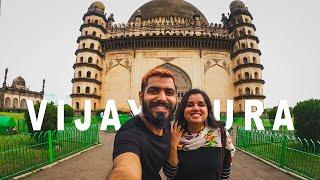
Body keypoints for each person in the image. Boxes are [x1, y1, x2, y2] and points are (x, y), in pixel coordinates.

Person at [108, 68, 177, 180]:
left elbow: (170, 173)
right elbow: (124, 169)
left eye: (169, 92)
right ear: (141, 97)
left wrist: (173, 146)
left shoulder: (167, 127)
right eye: (153, 91)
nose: (162, 98)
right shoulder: (130, 134)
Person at [163, 89, 236, 180]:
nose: (196, 108)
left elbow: (225, 171)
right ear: (182, 110)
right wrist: (173, 145)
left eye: (201, 104)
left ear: (208, 109)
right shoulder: (173, 134)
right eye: (189, 105)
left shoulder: (220, 135)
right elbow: (169, 174)